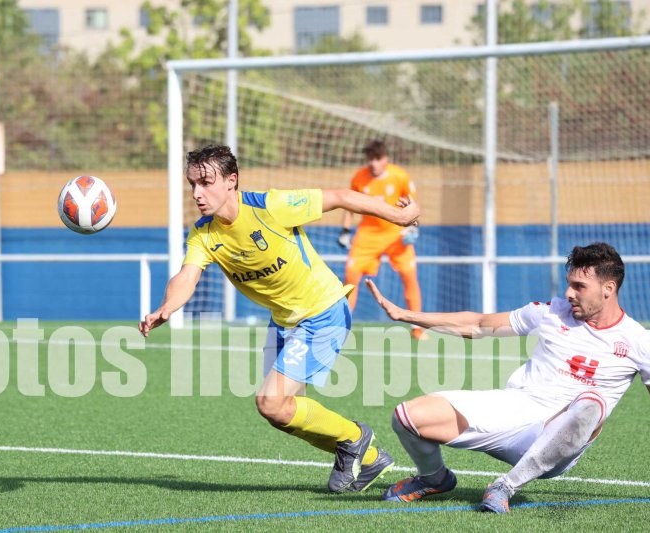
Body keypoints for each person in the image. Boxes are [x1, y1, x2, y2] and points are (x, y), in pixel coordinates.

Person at [140, 144, 420, 493]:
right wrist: (166, 307)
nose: (197, 193)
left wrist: (398, 217)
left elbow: (341, 197)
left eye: (206, 183)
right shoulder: (204, 234)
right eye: (192, 184)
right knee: (282, 412)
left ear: (231, 181)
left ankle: (354, 437)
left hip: (323, 311)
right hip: (284, 321)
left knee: (269, 402)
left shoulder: (270, 206)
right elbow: (187, 275)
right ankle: (371, 457)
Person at [364, 242, 650, 512]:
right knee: (407, 417)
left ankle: (505, 485)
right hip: (513, 408)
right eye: (569, 283)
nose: (569, 293)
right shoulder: (551, 312)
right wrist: (406, 315)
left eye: (579, 286)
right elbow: (479, 324)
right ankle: (433, 478)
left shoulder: (638, 341)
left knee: (591, 403)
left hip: (557, 441)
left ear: (608, 288)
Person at [338, 139, 426, 339]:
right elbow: (349, 205)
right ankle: (340, 327)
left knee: (409, 275)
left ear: (385, 158)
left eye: (377, 159)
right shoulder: (359, 178)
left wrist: (413, 228)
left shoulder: (400, 176)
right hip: (368, 235)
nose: (373, 163)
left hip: (396, 234)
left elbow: (413, 205)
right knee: (351, 276)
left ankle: (417, 329)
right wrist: (345, 230)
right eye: (370, 159)